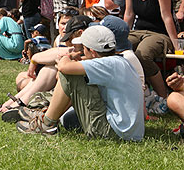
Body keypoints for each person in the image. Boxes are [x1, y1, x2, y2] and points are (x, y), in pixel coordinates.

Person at [16, 25, 144, 141]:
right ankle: (47, 113)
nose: (81, 52)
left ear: (92, 51)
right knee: (69, 119)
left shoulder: (108, 64)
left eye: (83, 49)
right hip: (127, 131)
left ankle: (46, 124)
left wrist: (67, 57)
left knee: (70, 75)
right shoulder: (120, 62)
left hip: (114, 133)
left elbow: (64, 69)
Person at [120, 0, 178, 98]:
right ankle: (133, 93)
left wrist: (176, 45)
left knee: (142, 54)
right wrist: (120, 38)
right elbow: (129, 13)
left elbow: (167, 16)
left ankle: (163, 97)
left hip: (159, 32)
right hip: (138, 31)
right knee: (117, 48)